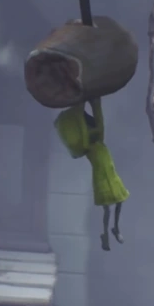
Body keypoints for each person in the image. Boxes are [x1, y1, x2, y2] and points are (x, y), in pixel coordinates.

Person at [53, 97, 128, 251]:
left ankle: (115, 228)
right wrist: (81, 110)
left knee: (120, 201)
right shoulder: (86, 146)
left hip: (112, 176)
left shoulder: (99, 140)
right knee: (107, 209)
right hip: (102, 179)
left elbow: (99, 124)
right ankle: (105, 235)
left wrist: (94, 104)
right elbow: (91, 130)